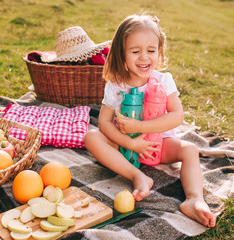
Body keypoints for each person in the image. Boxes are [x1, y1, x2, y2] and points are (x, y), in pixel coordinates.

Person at [84, 14, 216, 228]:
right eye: (135, 51)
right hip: (124, 147)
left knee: (190, 149)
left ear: (159, 51)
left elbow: (177, 116)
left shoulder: (164, 81)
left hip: (159, 145)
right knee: (91, 136)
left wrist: (140, 128)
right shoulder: (116, 85)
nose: (144, 58)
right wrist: (131, 143)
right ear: (122, 53)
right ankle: (138, 176)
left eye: (151, 51)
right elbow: (104, 123)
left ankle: (194, 199)